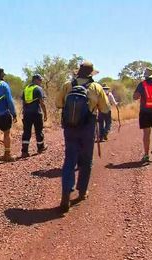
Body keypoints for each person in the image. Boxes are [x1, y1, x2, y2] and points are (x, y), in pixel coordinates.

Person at [56, 61, 110, 212]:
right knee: (86, 160)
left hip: (70, 127)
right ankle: (82, 191)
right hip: (88, 126)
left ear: (78, 72)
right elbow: (105, 109)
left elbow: (58, 103)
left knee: (69, 159)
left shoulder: (68, 85)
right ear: (91, 73)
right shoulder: (96, 87)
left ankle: (65, 194)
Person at [21, 74, 48, 157]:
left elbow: (23, 102)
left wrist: (24, 112)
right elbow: (42, 103)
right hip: (36, 113)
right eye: (40, 80)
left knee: (26, 132)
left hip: (27, 114)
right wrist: (45, 114)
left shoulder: (26, 89)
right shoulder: (38, 89)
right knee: (38, 131)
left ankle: (24, 151)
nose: (41, 82)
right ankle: (40, 147)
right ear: (36, 80)